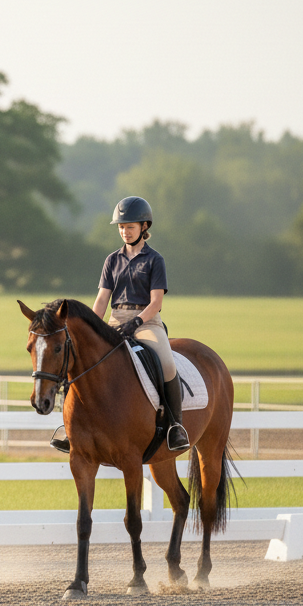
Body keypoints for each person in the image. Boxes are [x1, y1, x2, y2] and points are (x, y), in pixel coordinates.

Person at [51, 195, 189, 454]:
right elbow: (103, 298)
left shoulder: (154, 260)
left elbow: (156, 302)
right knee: (77, 358)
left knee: (166, 362)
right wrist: (90, 326)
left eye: (130, 227)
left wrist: (137, 321)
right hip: (115, 319)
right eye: (121, 227)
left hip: (146, 321)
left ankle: (175, 425)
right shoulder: (111, 260)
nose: (125, 232)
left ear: (144, 227)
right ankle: (69, 427)